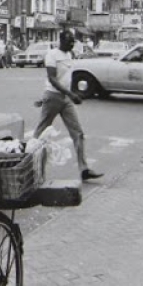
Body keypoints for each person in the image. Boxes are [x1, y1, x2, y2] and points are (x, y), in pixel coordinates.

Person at [34, 29, 103, 182]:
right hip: (53, 96)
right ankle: (29, 164)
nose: (72, 44)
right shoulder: (52, 55)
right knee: (40, 134)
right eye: (69, 41)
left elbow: (66, 78)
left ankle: (84, 169)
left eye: (73, 41)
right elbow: (52, 79)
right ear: (61, 40)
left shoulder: (69, 55)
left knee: (78, 133)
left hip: (65, 99)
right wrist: (64, 95)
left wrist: (72, 94)